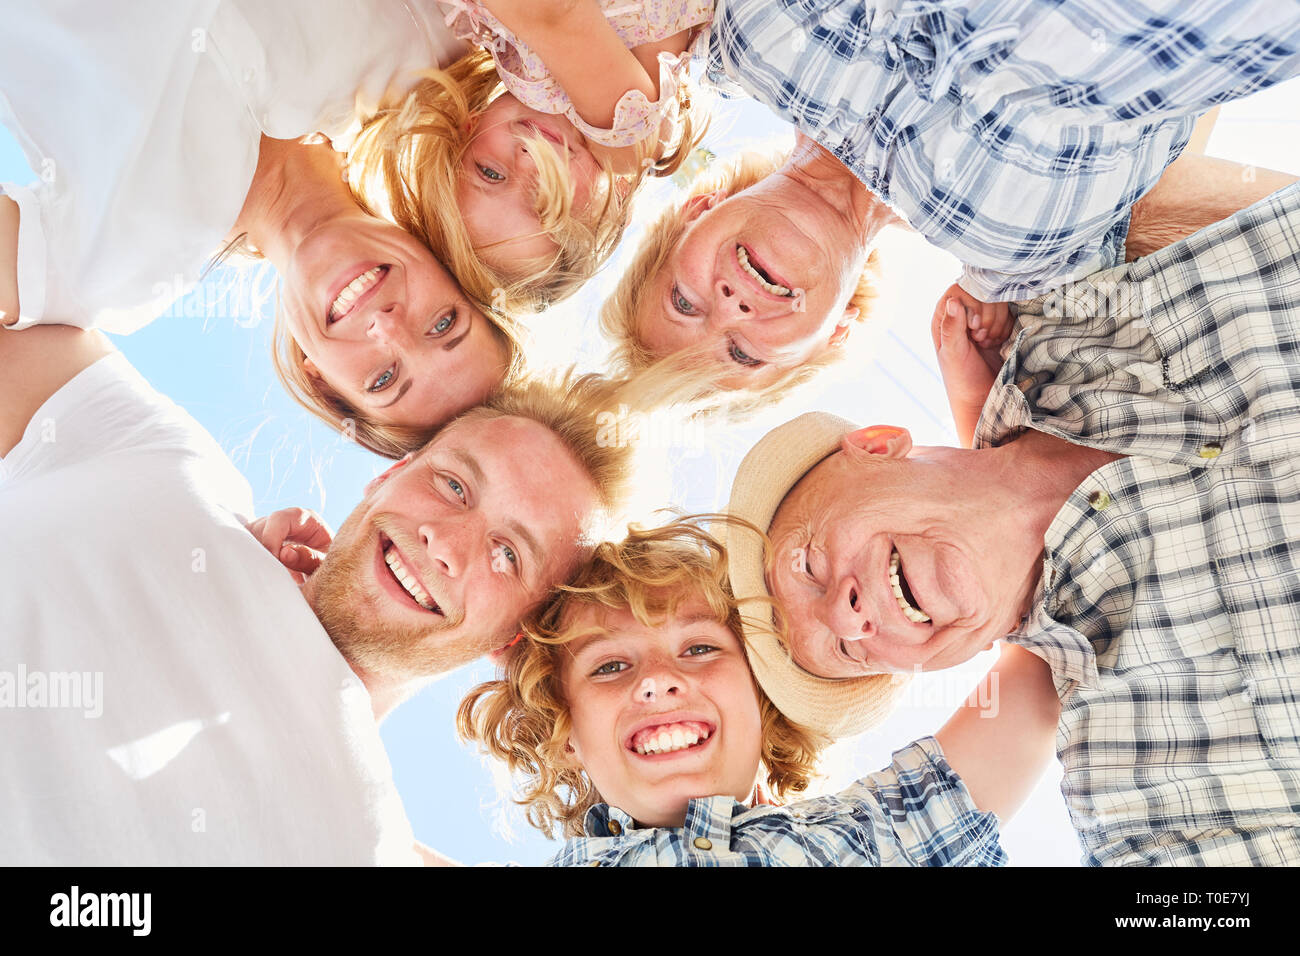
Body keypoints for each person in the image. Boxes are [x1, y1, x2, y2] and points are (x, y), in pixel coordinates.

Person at [0, 237, 638, 861]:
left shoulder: (366, 846)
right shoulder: (162, 463)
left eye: (508, 555)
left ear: (511, 639)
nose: (445, 541)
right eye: (452, 485)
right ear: (392, 472)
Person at [724, 182, 1300, 865]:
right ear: (940, 659)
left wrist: (1011, 262)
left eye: (808, 566)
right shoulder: (1134, 772)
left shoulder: (1051, 293)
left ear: (877, 446)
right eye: (850, 652)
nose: (849, 619)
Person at [601, 0, 1300, 413]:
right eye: (740, 353)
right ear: (834, 335)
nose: (732, 307)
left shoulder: (730, 37)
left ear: (697, 206)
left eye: (684, 302)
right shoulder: (1025, 264)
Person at [0, 0, 521, 459]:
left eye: (383, 379)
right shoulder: (424, 43)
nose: (387, 327)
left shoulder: (118, 272)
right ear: (449, 263)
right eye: (442, 324)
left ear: (319, 379)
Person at [450, 518, 1058, 866]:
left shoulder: (858, 839)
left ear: (762, 697)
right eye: (609, 667)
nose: (659, 679)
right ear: (565, 737)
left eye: (699, 649)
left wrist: (988, 474)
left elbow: (1031, 693)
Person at [349, 0, 711, 316]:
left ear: (469, 128)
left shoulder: (498, 46)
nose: (527, 161)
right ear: (614, 202)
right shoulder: (627, 143)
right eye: (546, 204)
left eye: (490, 173)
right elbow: (554, 14)